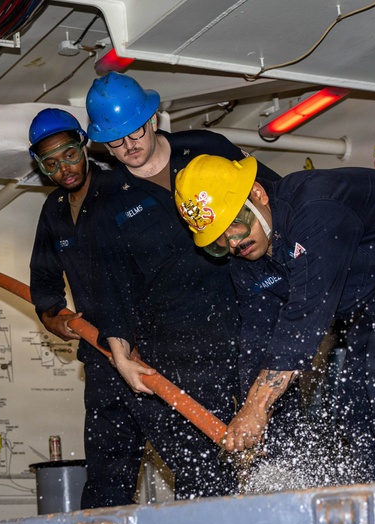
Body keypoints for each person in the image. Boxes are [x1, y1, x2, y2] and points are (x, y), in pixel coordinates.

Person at [174, 155, 375, 482]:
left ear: (257, 194)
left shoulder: (314, 207)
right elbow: (258, 339)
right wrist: (251, 416)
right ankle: (373, 494)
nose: (233, 243)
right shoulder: (246, 264)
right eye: (218, 241)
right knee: (352, 398)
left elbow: (305, 316)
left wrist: (258, 407)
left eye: (235, 225)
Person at [82, 72, 279, 500]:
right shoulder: (106, 205)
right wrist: (121, 358)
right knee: (205, 474)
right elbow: (110, 292)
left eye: (134, 132)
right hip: (177, 350)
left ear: (152, 118)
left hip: (248, 321)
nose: (128, 147)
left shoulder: (207, 148)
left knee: (277, 440)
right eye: (115, 142)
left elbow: (271, 198)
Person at [27, 108, 147, 509]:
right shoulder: (54, 211)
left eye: (70, 154)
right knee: (106, 469)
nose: (65, 168)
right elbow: (43, 279)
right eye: (52, 163)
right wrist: (55, 316)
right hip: (99, 355)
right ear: (42, 167)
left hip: (150, 350)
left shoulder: (124, 188)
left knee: (187, 450)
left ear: (85, 145)